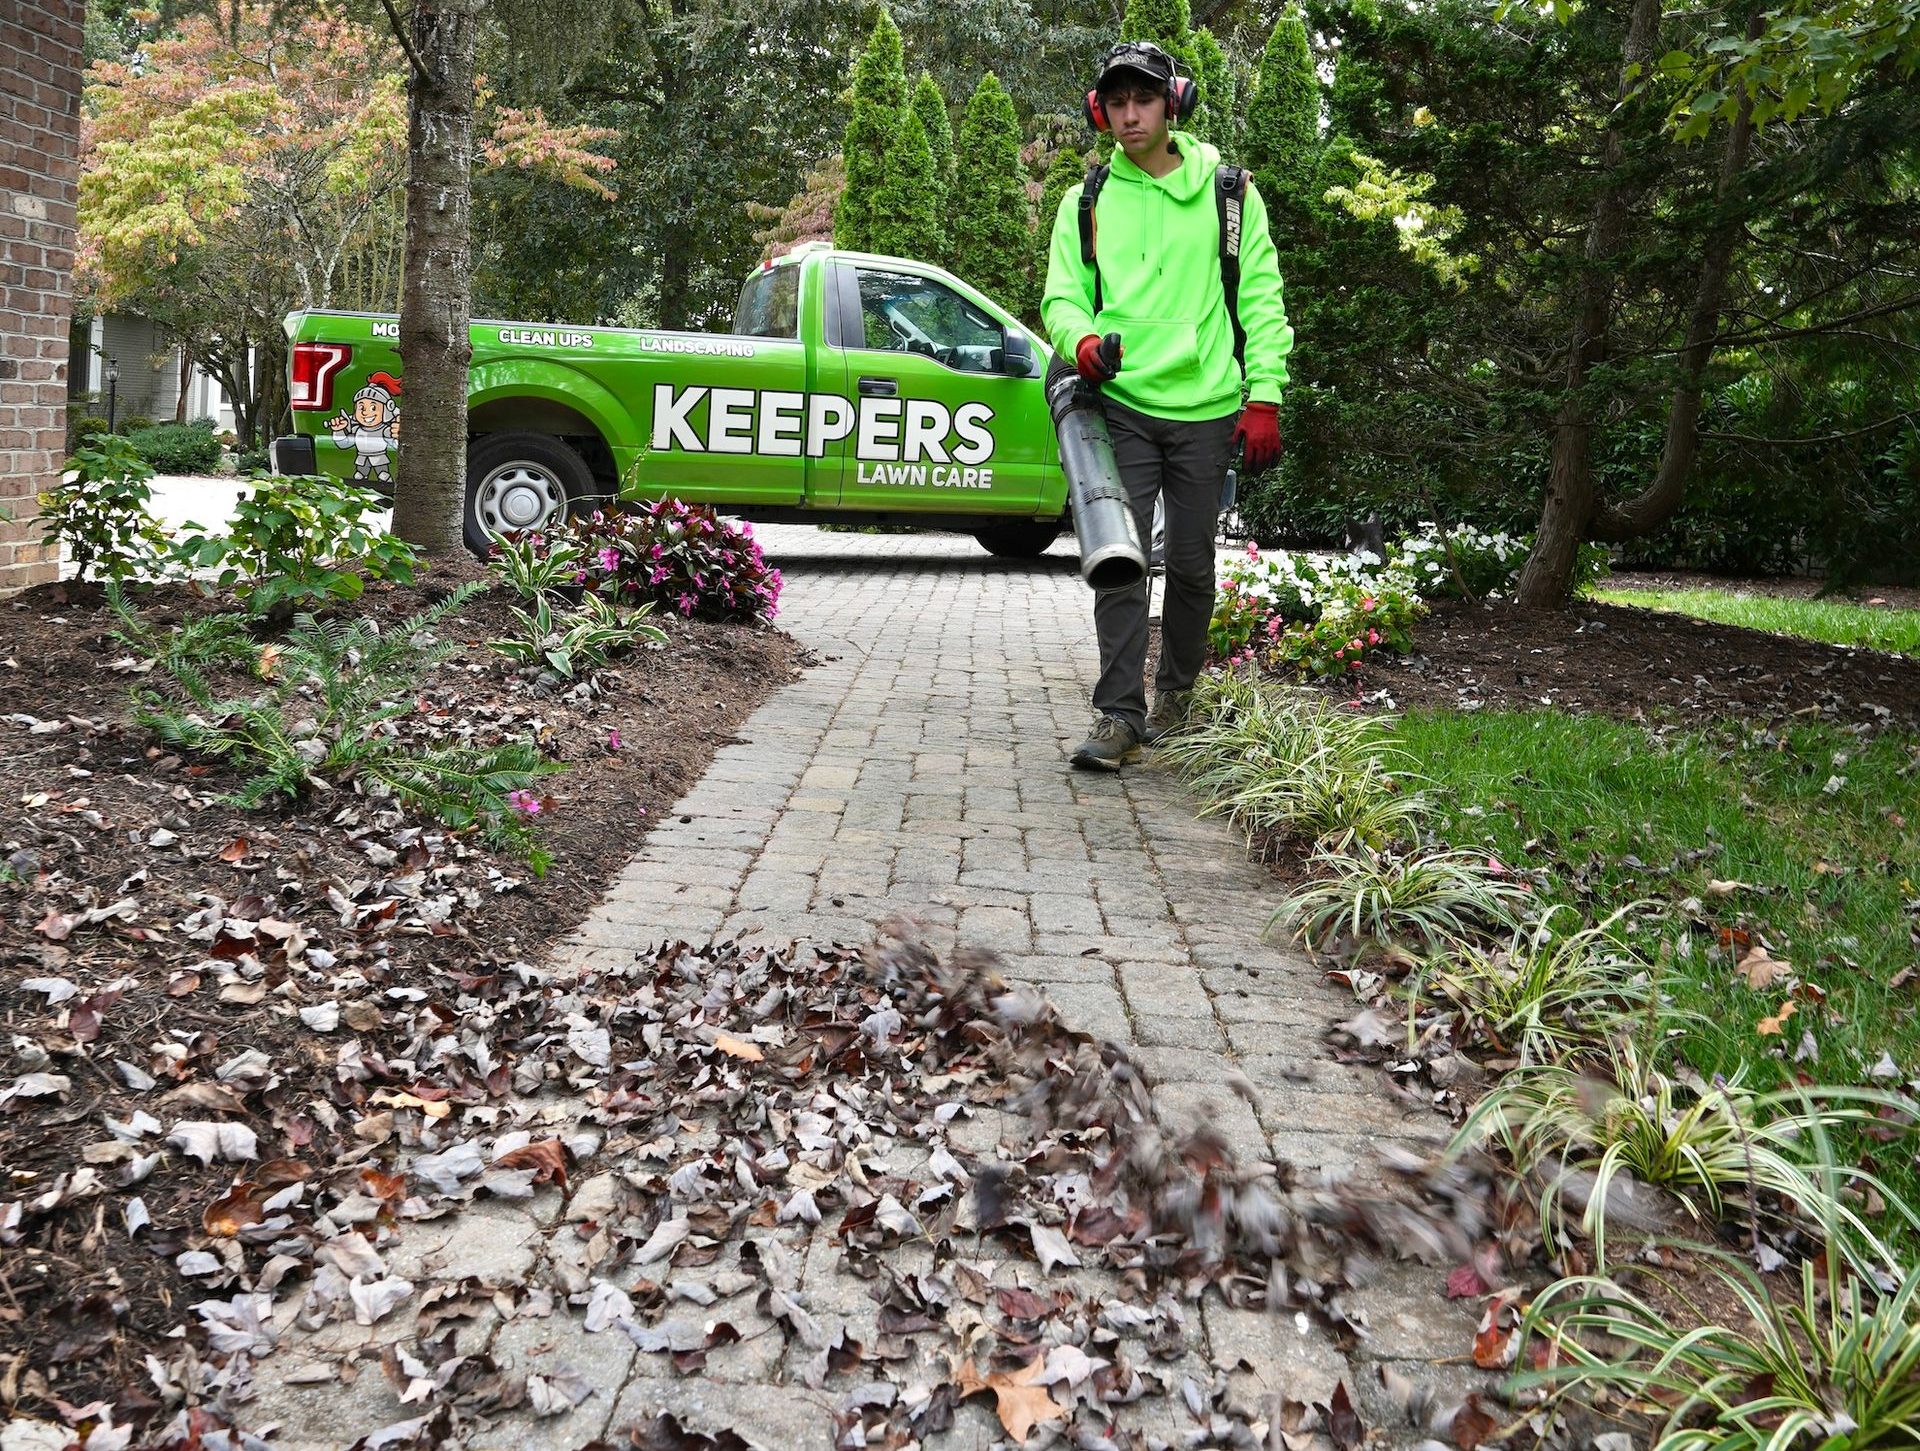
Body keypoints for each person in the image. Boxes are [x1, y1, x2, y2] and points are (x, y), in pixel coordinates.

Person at [1042, 39, 1293, 770]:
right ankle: (1119, 713)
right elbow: (1062, 294)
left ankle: (1177, 699)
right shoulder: (1086, 200)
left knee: (1189, 564)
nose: (1129, 115)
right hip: (1121, 405)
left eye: (1142, 99)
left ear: (1171, 101)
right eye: (1115, 102)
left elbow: (1261, 298)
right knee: (1120, 563)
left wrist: (1265, 393)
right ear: (1100, 110)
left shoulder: (1231, 194)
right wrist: (1082, 339)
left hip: (1208, 406)